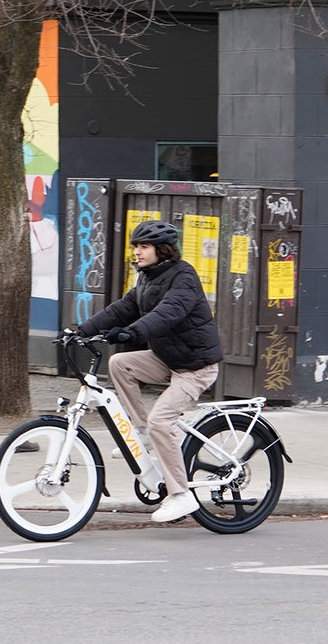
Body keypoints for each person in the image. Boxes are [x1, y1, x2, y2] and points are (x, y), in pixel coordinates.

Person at [77, 219, 223, 523]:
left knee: (162, 420)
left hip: (195, 367)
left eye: (143, 247)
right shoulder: (146, 278)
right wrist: (81, 330)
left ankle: (181, 495)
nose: (137, 253)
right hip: (167, 358)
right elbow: (122, 308)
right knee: (120, 363)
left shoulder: (184, 277)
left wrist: (133, 333)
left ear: (162, 249)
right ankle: (141, 432)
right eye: (136, 247)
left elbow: (169, 312)